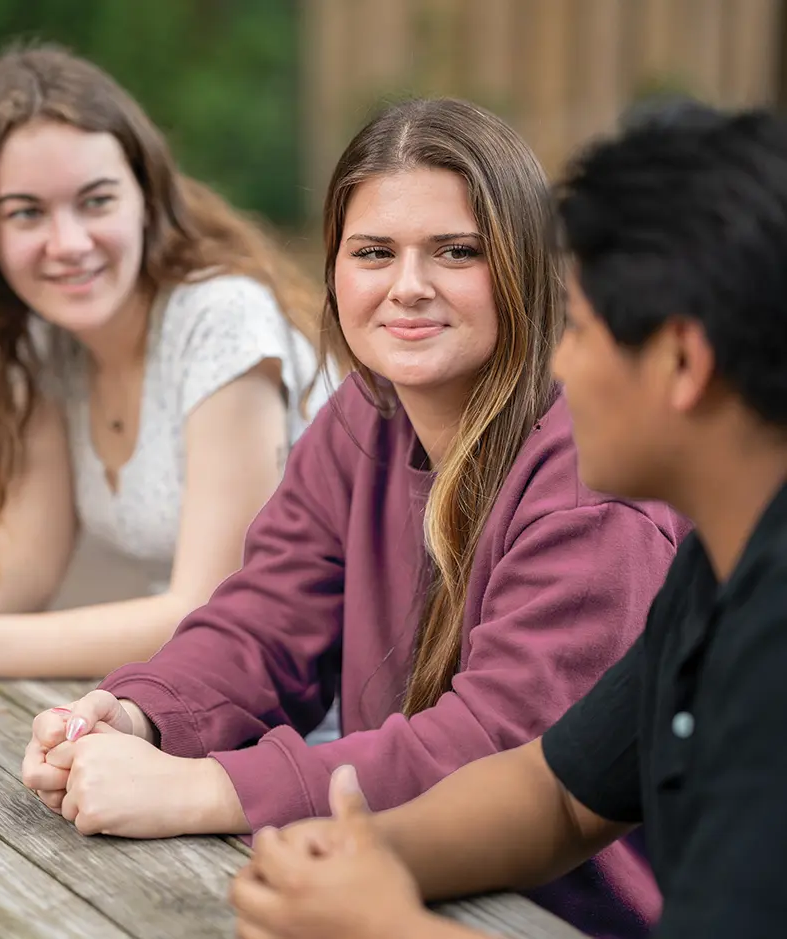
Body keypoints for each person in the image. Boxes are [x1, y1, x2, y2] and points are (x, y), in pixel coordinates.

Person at [22, 98, 689, 938]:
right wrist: (136, 712)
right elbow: (263, 620)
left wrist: (203, 788)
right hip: (377, 878)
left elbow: (501, 751)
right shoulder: (363, 414)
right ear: (334, 269)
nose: (408, 286)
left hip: (558, 915)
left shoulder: (597, 470)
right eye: (374, 252)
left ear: (522, 265)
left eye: (457, 252)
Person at [229, 104, 787, 939]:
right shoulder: (723, 567)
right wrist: (356, 851)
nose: (558, 360)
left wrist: (384, 925)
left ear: (681, 362)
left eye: (583, 331)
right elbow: (558, 791)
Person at [0, 43, 327, 687]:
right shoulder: (50, 342)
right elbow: (20, 568)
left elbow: (211, 612)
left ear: (145, 199)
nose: (69, 244)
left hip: (339, 709)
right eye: (27, 213)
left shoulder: (222, 321)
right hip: (219, 696)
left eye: (96, 201)